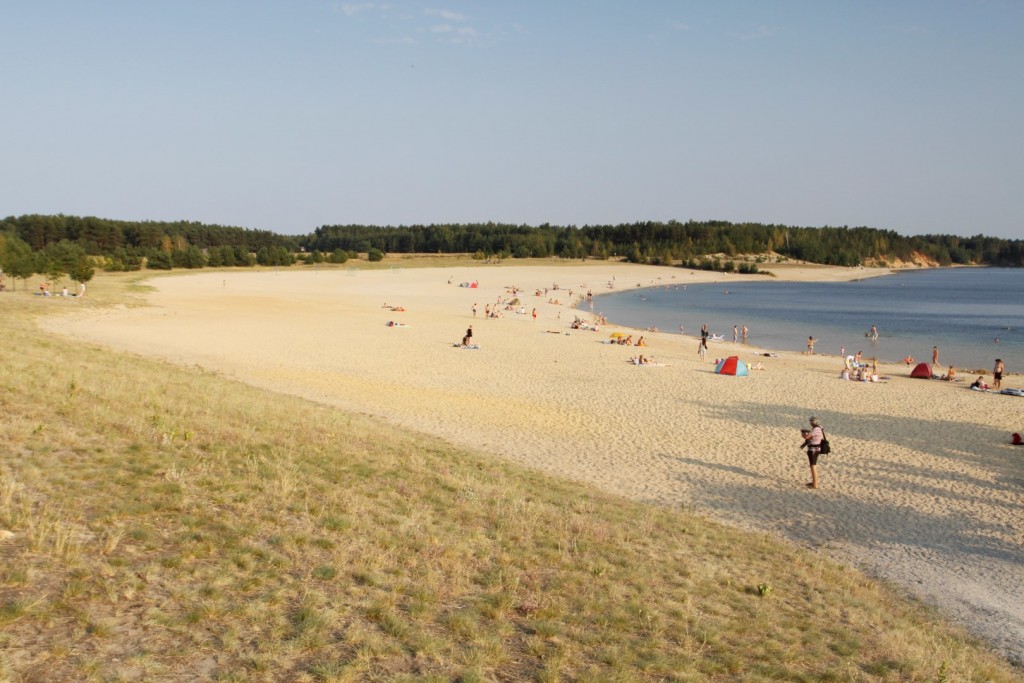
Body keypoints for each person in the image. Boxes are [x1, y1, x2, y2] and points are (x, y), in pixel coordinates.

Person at [802, 416, 825, 489]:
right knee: (813, 465)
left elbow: (807, 437)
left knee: (813, 466)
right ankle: (815, 482)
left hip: (813, 449)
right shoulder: (820, 428)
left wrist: (803, 434)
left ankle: (815, 483)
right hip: (817, 448)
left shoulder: (816, 429)